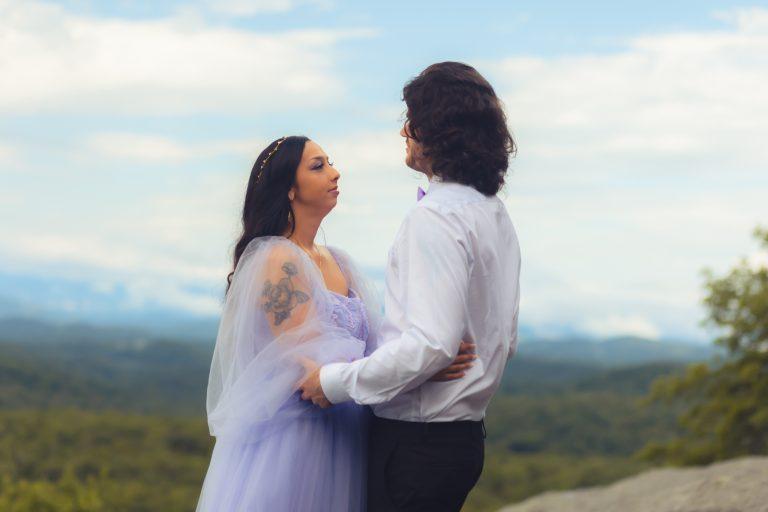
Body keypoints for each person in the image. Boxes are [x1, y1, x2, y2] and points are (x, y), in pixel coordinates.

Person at [194, 135, 475, 511]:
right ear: (289, 189)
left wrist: (425, 358)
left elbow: (374, 346)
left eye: (330, 162)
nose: (335, 173)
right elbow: (313, 363)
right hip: (299, 442)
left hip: (347, 431)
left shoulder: (339, 260)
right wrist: (416, 368)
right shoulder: (278, 258)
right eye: (318, 166)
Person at [299, 61, 522, 512]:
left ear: (440, 131)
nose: (405, 132)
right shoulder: (492, 212)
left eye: (413, 120)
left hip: (417, 444)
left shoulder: (436, 217)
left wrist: (334, 382)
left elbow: (431, 345)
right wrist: (428, 361)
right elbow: (501, 340)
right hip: (461, 438)